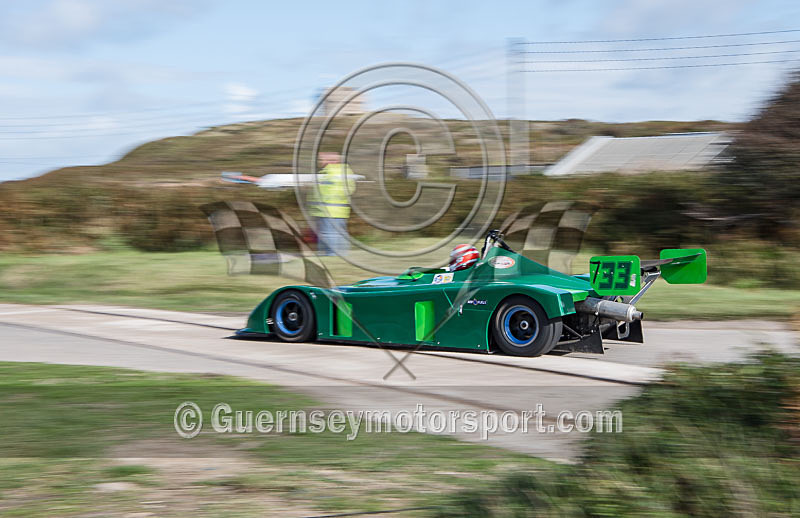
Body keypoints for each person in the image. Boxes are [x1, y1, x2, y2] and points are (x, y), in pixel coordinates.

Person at [308, 152, 357, 256]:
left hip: (330, 210)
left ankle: (332, 255)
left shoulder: (332, 172)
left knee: (329, 234)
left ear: (333, 161)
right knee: (336, 234)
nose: (320, 162)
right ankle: (340, 253)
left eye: (322, 159)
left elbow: (326, 191)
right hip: (334, 210)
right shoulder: (340, 172)